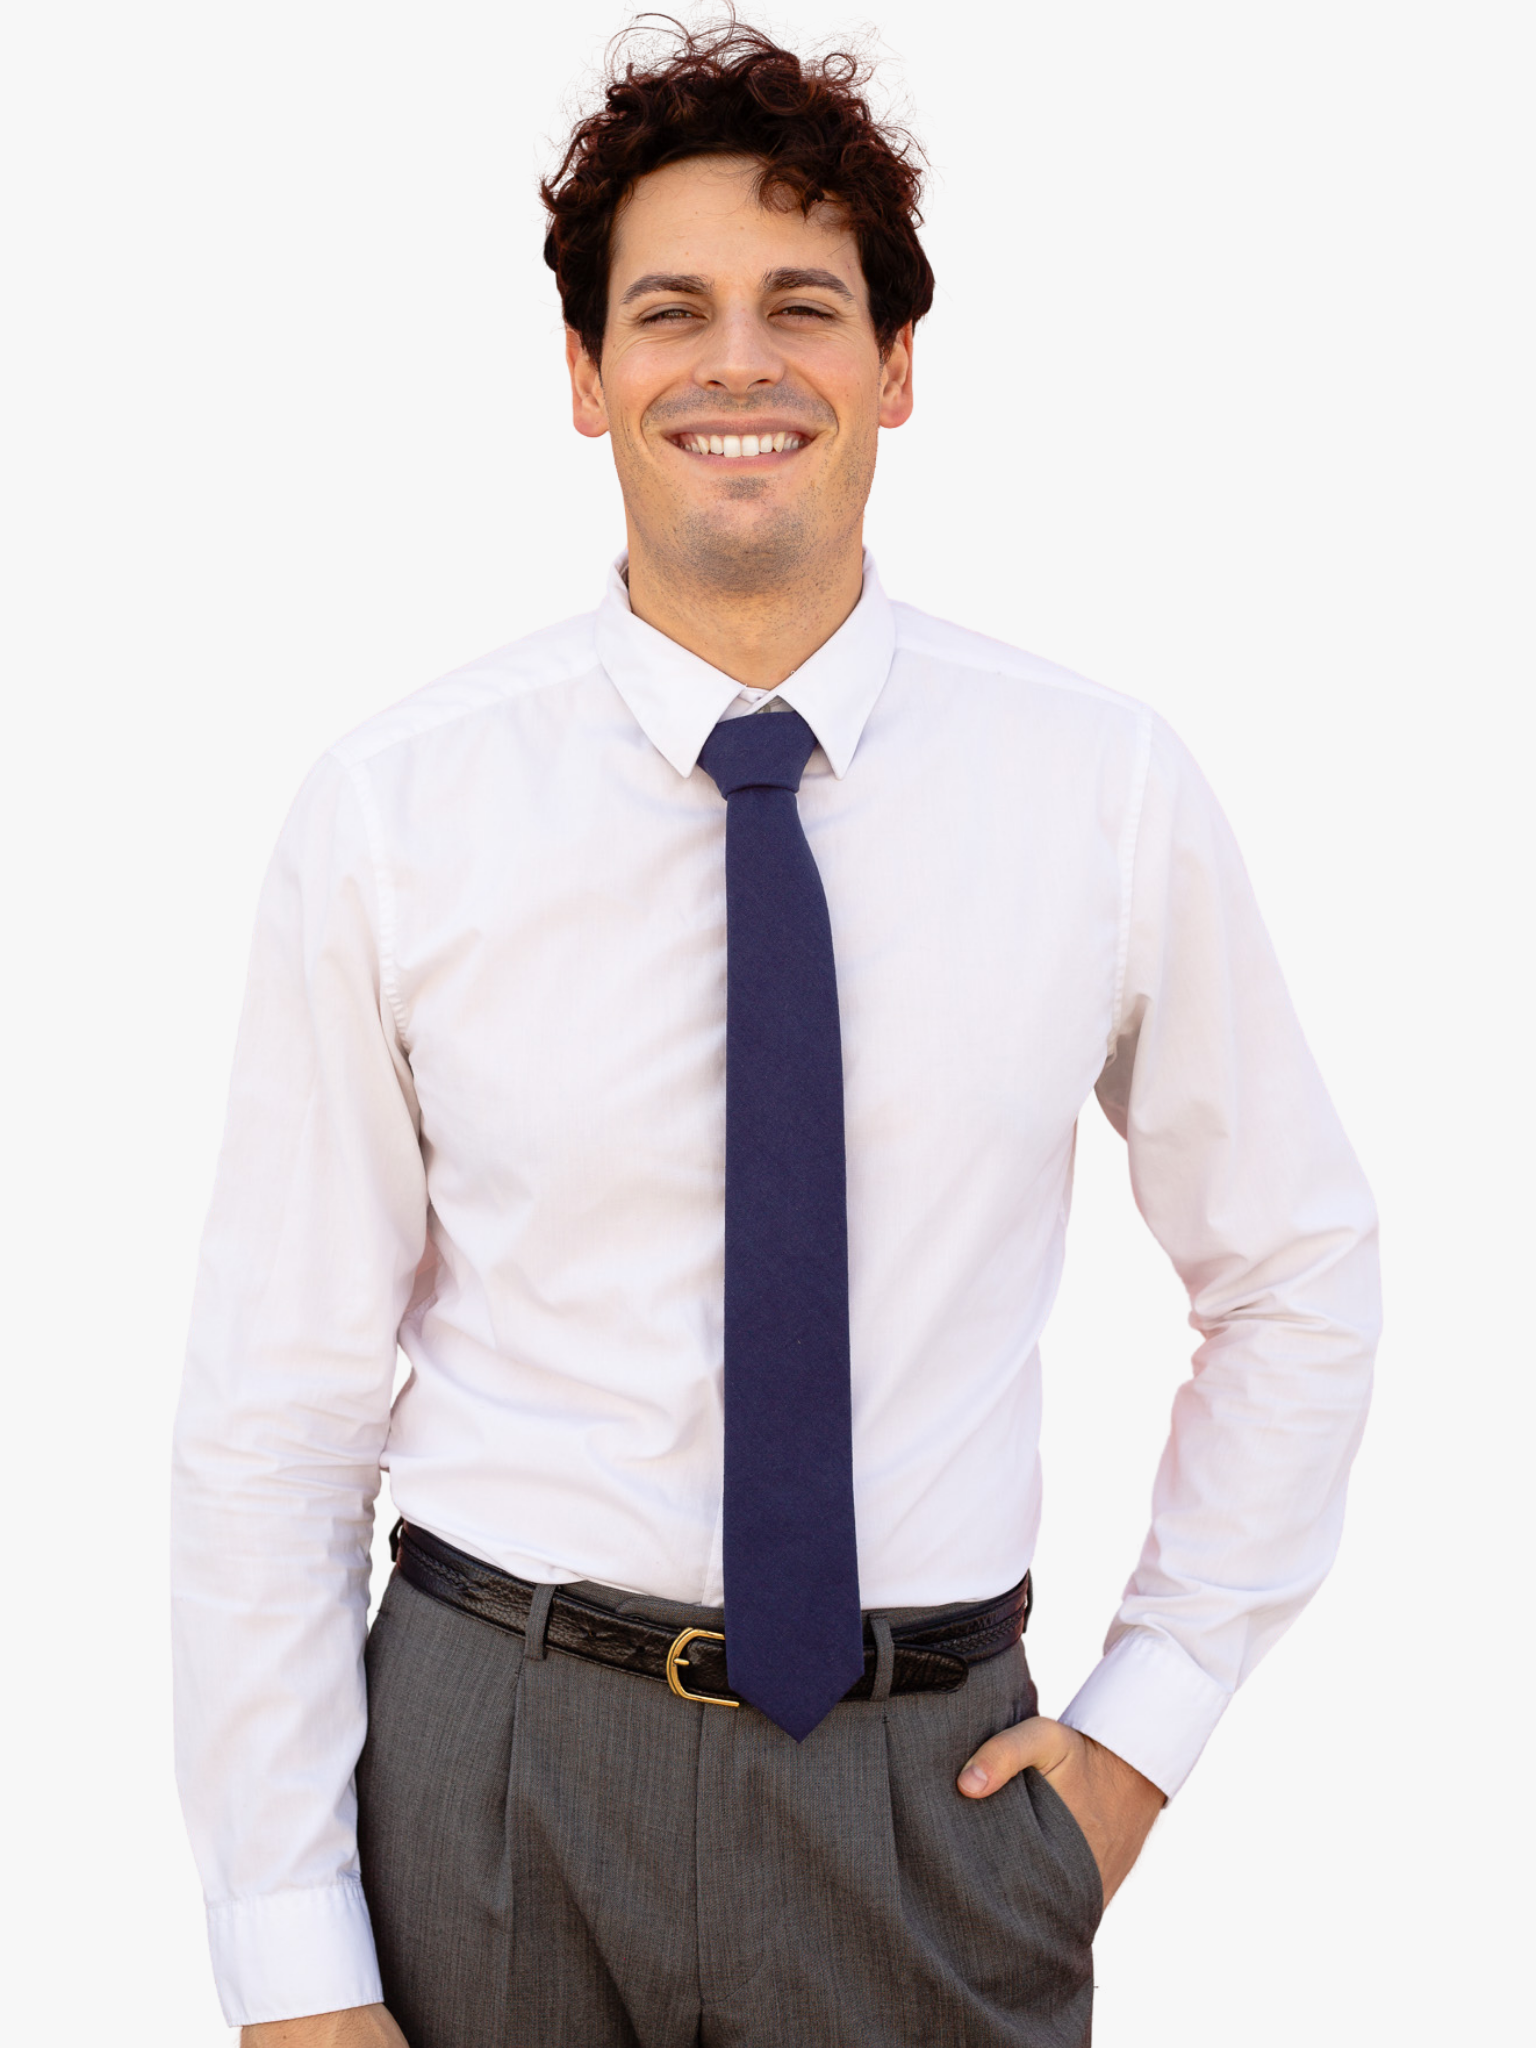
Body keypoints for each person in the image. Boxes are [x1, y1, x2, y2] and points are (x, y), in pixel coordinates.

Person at [172, 21, 1380, 2048]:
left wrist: (1142, 1736)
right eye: (672, 312)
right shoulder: (398, 809)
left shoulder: (1100, 787)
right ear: (586, 377)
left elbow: (1301, 1267)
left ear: (895, 369)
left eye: (801, 307)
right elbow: (276, 1402)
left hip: (930, 1801)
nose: (739, 364)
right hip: (491, 1784)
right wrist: (291, 1960)